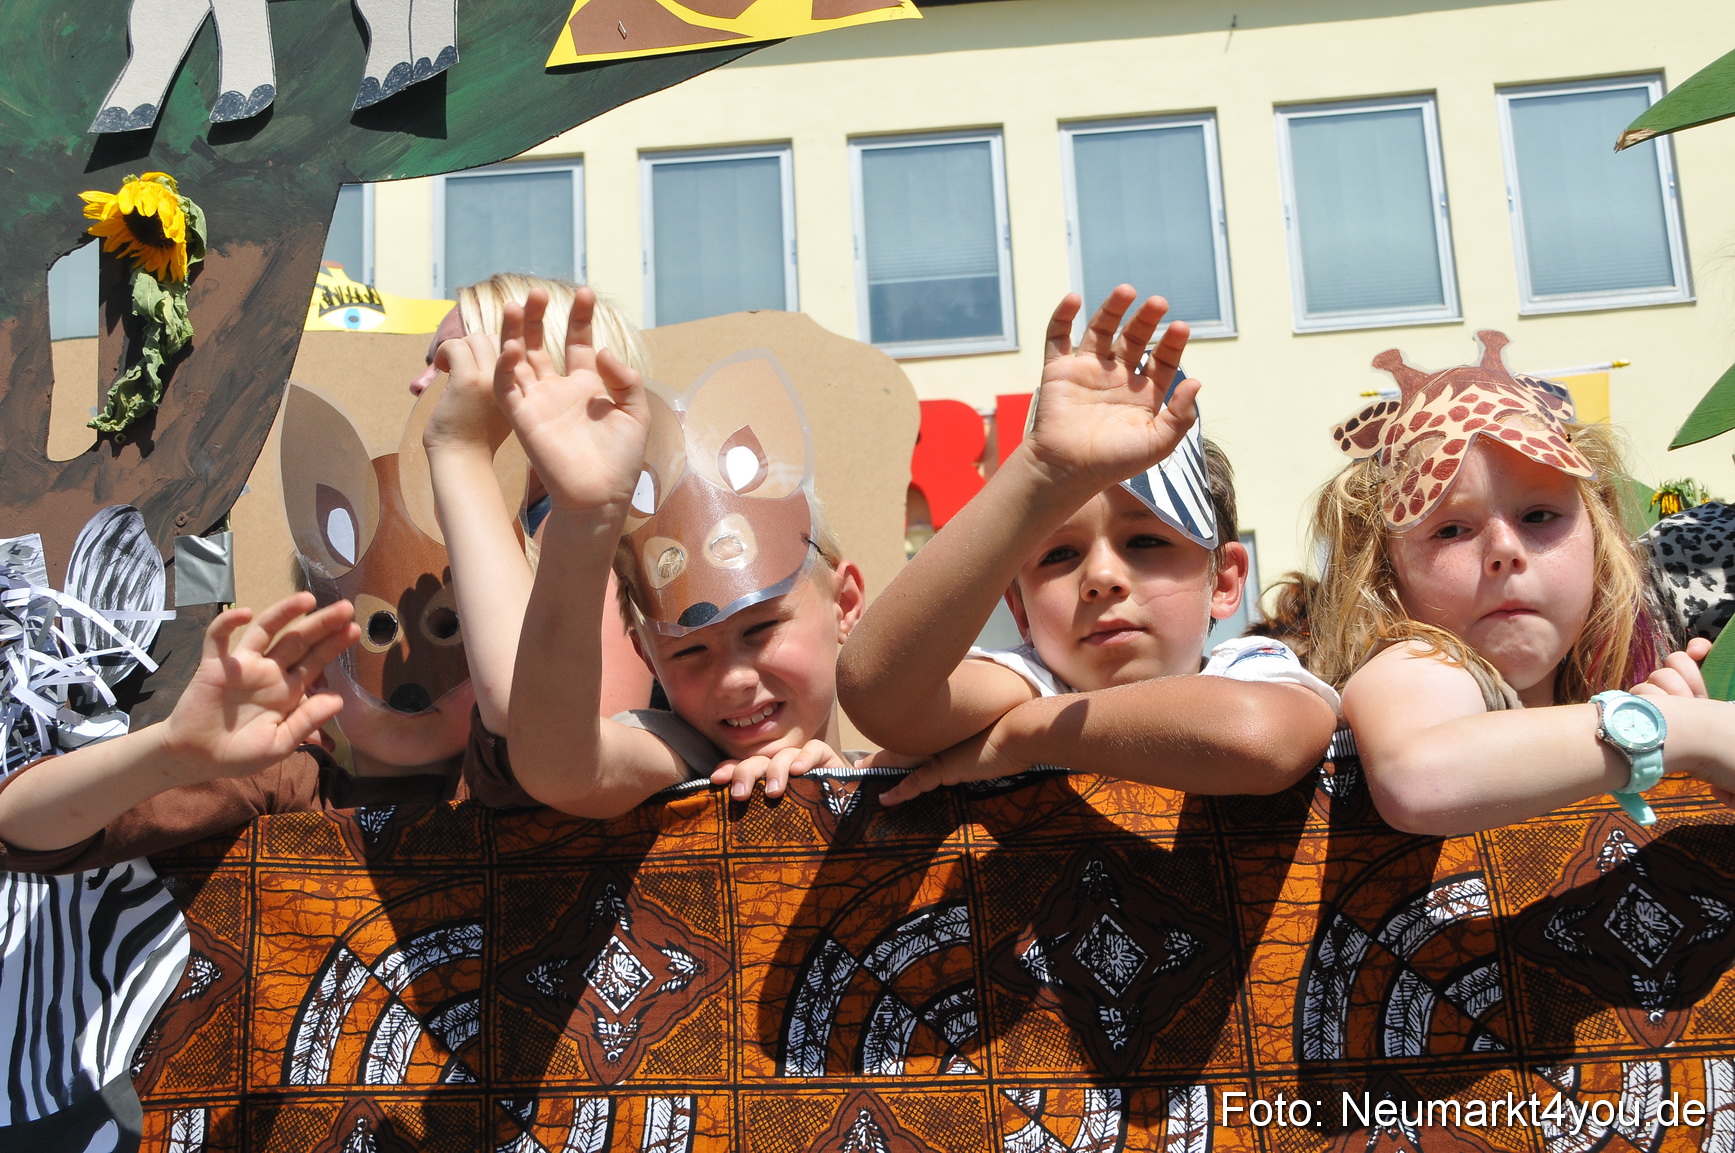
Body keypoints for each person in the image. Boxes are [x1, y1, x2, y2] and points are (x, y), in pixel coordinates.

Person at [836, 287, 1339, 805]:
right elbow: (878, 695)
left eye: (1146, 540)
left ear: (1226, 581)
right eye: (1058, 554)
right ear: (1020, 609)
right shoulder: (1030, 680)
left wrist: (1024, 734)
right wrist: (1037, 474)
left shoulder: (1248, 669)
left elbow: (1260, 737)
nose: (1101, 577)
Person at [481, 288, 906, 820]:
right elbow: (558, 767)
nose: (734, 679)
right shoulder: (675, 754)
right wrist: (583, 517)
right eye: (688, 652)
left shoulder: (914, 769)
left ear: (845, 604)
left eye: (760, 629)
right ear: (646, 656)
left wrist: (844, 781)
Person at [1309, 331, 1735, 835]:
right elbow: (1420, 776)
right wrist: (1680, 730)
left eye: (1538, 515)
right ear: (1387, 574)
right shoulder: (1419, 662)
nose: (1505, 549)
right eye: (1450, 529)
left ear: (1599, 545)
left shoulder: (1605, 683)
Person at [0, 593, 465, 870]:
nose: (412, 676)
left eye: (452, 631)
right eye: (377, 632)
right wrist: (171, 753)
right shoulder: (283, 785)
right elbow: (21, 828)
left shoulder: (518, 789)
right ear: (319, 666)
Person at [418, 273, 654, 735]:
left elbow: (545, 729)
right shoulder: (514, 524)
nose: (419, 381)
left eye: (452, 357)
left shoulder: (600, 531)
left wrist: (459, 451)